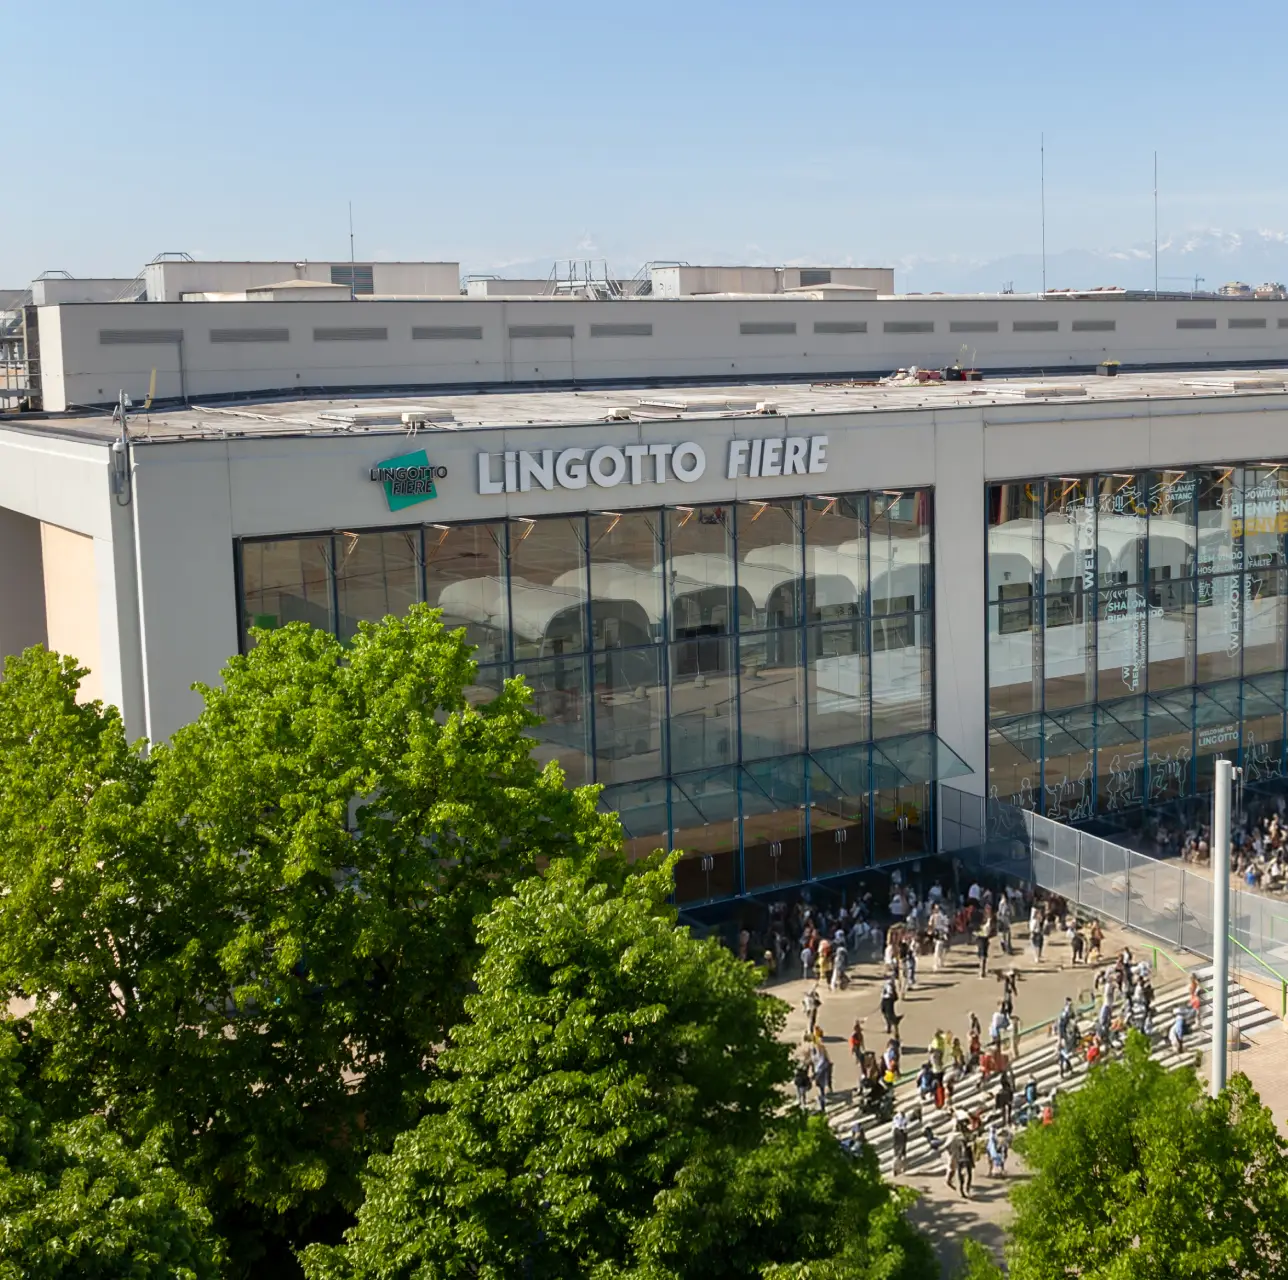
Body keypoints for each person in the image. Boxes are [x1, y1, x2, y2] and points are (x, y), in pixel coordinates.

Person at [891, 1108, 910, 1175]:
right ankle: (897, 1167)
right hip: (900, 1133)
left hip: (899, 1133)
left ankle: (900, 1167)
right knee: (900, 1151)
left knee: (900, 1150)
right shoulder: (899, 1117)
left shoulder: (902, 1116)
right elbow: (901, 1125)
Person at [975, 913, 993, 979]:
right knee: (983, 956)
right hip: (983, 939)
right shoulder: (987, 925)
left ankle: (982, 972)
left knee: (982, 956)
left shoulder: (986, 925)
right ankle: (982, 971)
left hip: (982, 939)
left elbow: (985, 932)